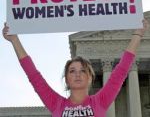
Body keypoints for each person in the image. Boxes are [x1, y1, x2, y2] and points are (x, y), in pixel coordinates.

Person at [2, 19, 149, 117]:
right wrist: (15, 40)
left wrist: (137, 35)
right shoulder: (56, 103)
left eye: (83, 71)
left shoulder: (100, 101)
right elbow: (34, 75)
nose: (77, 74)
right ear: (66, 79)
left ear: (90, 77)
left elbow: (121, 70)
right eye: (72, 71)